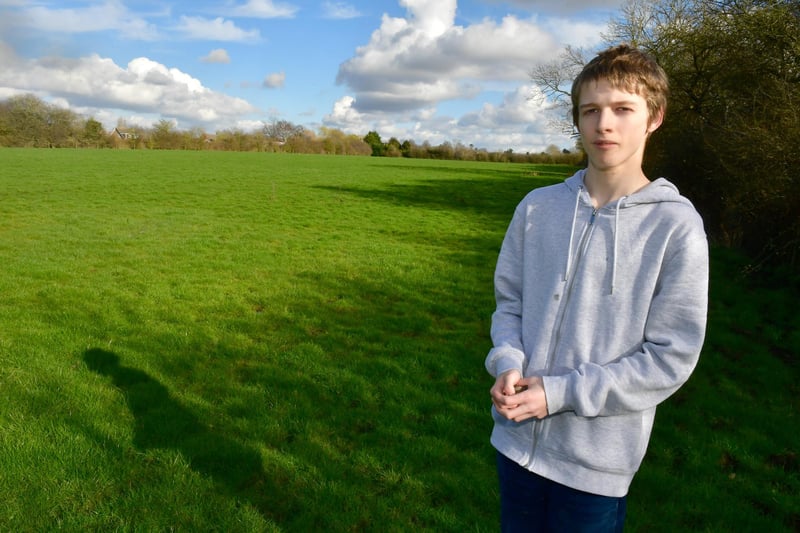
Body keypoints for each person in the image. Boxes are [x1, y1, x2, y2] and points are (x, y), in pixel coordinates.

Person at [486, 44, 708, 532]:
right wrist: (507, 361)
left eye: (622, 109)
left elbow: (670, 356)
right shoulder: (537, 208)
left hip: (595, 469)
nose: (603, 124)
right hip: (515, 445)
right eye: (591, 110)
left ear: (654, 118)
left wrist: (560, 393)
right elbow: (511, 304)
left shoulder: (675, 225)